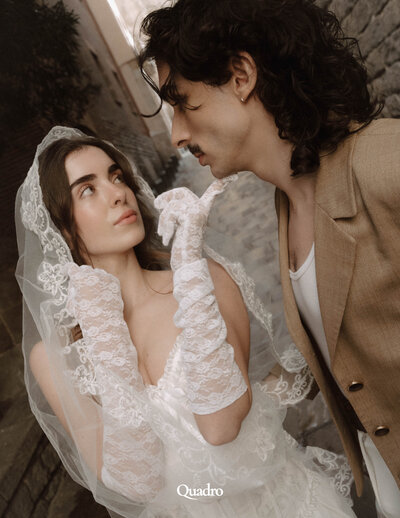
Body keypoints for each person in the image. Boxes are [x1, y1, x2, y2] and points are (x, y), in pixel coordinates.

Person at [138, 1, 400, 517]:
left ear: (241, 76)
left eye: (183, 104)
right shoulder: (287, 204)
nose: (177, 135)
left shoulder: (384, 165)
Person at [15, 126, 357, 518]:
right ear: (61, 228)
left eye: (116, 176)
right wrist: (104, 331)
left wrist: (190, 271)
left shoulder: (201, 282)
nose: (118, 193)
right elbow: (140, 482)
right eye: (88, 189)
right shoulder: (54, 357)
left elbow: (221, 427)